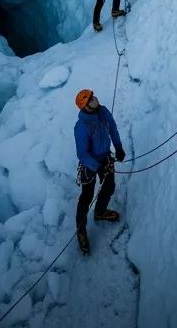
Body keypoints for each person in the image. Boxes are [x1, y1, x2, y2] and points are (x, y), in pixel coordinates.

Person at [73, 89, 126, 255]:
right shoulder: (82, 126)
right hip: (90, 163)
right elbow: (82, 153)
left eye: (93, 96)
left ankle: (100, 211)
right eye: (90, 99)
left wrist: (118, 147)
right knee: (86, 196)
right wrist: (96, 166)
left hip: (104, 157)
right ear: (86, 106)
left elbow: (113, 129)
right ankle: (81, 230)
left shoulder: (103, 112)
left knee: (109, 186)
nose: (95, 99)